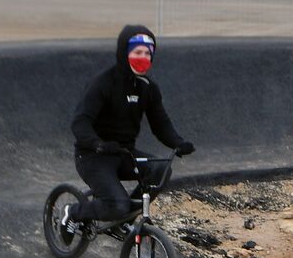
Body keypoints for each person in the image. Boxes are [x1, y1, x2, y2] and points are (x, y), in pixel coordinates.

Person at [62, 25, 195, 232]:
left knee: (160, 170)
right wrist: (97, 144)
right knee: (117, 204)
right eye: (137, 52)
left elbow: (160, 124)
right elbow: (80, 122)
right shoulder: (103, 83)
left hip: (124, 153)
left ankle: (123, 220)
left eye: (147, 53)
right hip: (93, 156)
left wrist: (179, 143)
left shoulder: (147, 87)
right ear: (125, 52)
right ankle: (74, 212)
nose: (142, 57)